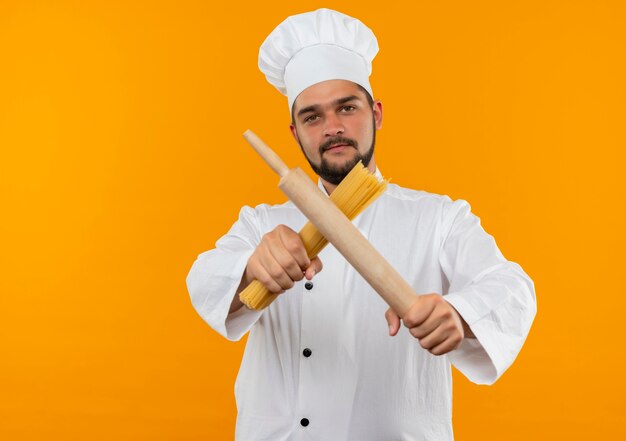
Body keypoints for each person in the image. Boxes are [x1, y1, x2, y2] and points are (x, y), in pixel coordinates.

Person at [187, 8, 536, 440]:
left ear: (377, 113)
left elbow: (512, 287)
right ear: (295, 134)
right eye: (312, 117)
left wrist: (458, 314)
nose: (333, 128)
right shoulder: (263, 224)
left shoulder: (439, 218)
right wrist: (250, 269)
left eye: (347, 108)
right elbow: (203, 279)